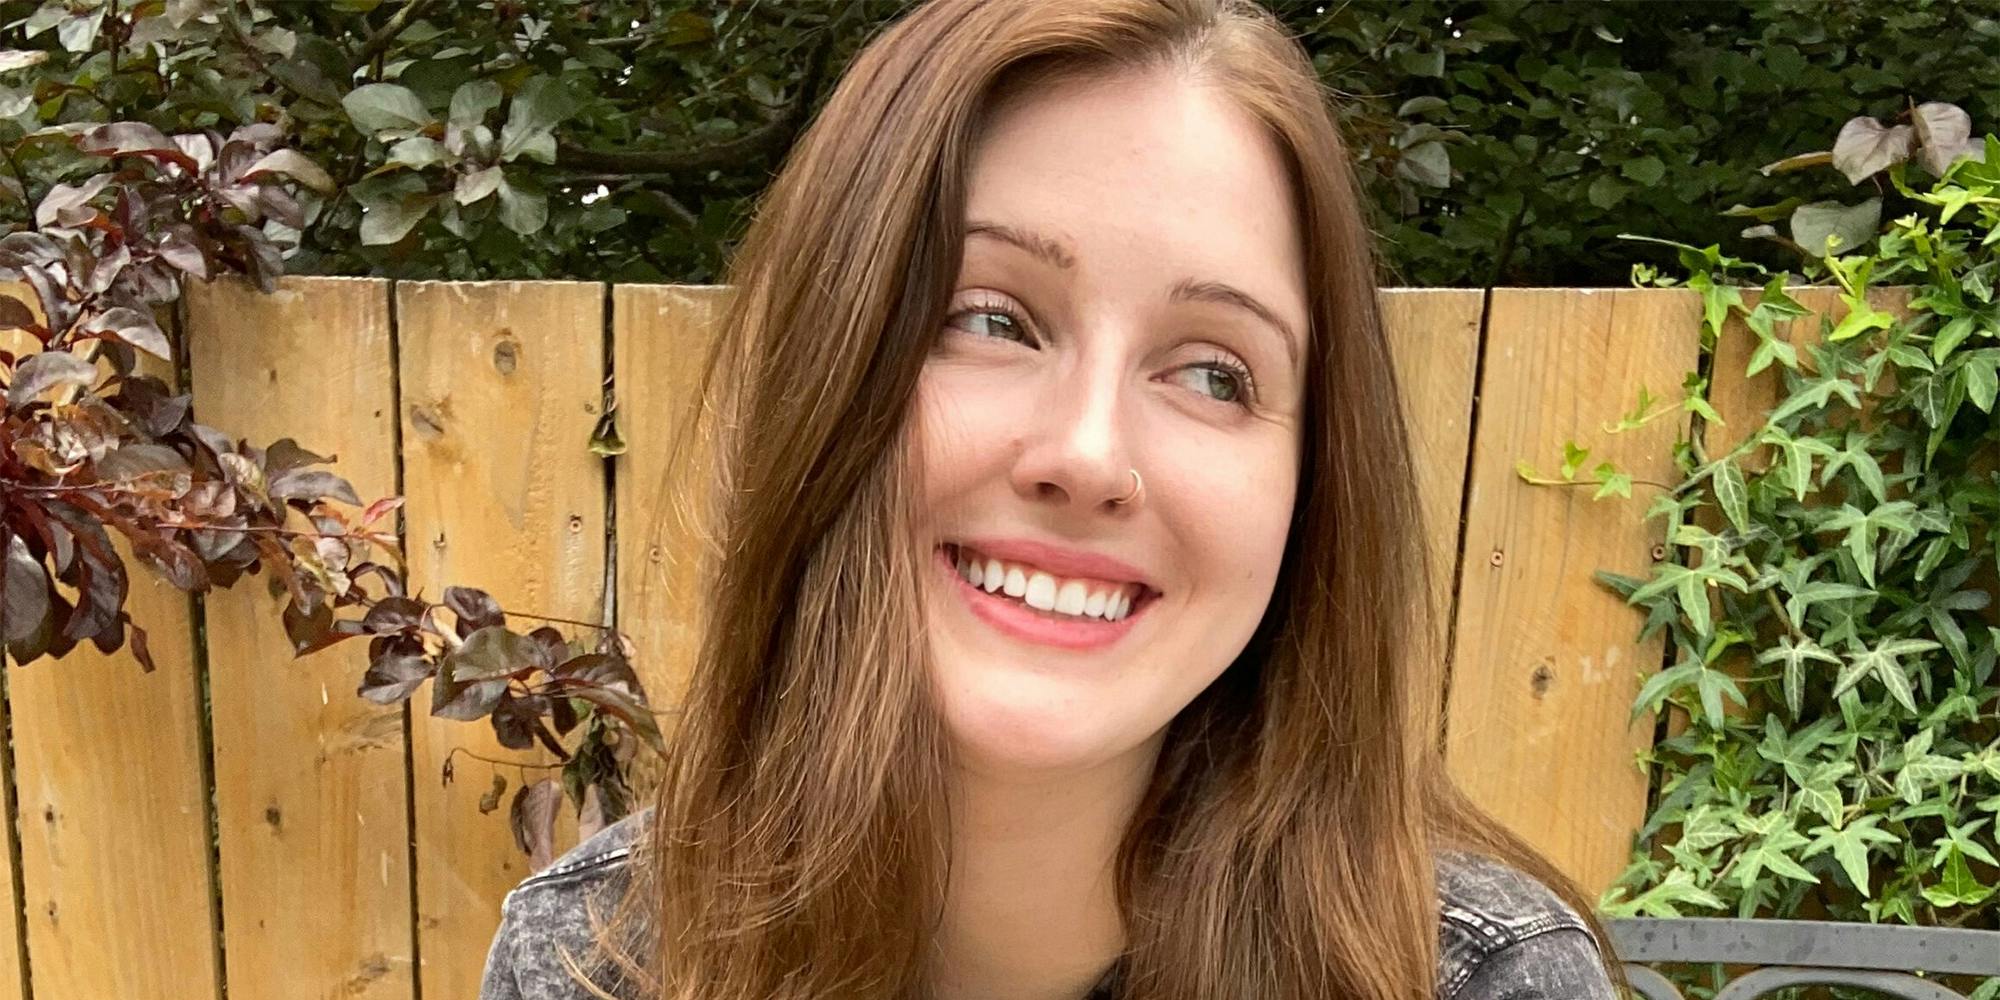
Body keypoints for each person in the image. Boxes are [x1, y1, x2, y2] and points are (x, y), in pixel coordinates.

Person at [480, 0, 1623, 997]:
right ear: (819, 372)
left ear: (1311, 487)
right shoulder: (592, 960)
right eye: (988, 318)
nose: (1085, 454)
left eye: (1214, 374)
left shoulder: (1483, 979)